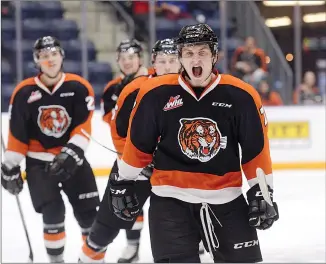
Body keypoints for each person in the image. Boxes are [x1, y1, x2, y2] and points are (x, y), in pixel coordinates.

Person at [109, 24, 279, 263]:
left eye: (202, 52)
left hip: (226, 199)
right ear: (180, 57)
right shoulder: (155, 93)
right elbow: (138, 146)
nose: (195, 59)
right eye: (188, 53)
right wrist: (123, 180)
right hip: (169, 202)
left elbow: (255, 151)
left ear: (214, 55)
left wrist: (262, 192)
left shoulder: (241, 95)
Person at [79, 38, 181, 263]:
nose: (167, 66)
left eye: (173, 60)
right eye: (162, 61)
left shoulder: (193, 88)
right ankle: (89, 257)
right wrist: (137, 162)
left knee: (179, 232)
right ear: (154, 62)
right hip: (133, 169)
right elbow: (118, 131)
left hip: (176, 176)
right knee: (107, 223)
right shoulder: (134, 88)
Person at [0, 36, 100, 263]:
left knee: (89, 216)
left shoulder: (78, 87)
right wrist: (10, 164)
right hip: (39, 164)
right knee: (53, 215)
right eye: (44, 56)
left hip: (74, 160)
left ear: (62, 56)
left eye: (54, 54)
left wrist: (72, 152)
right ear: (37, 61)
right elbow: (17, 134)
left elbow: (83, 125)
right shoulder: (24, 92)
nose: (50, 59)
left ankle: (93, 260)